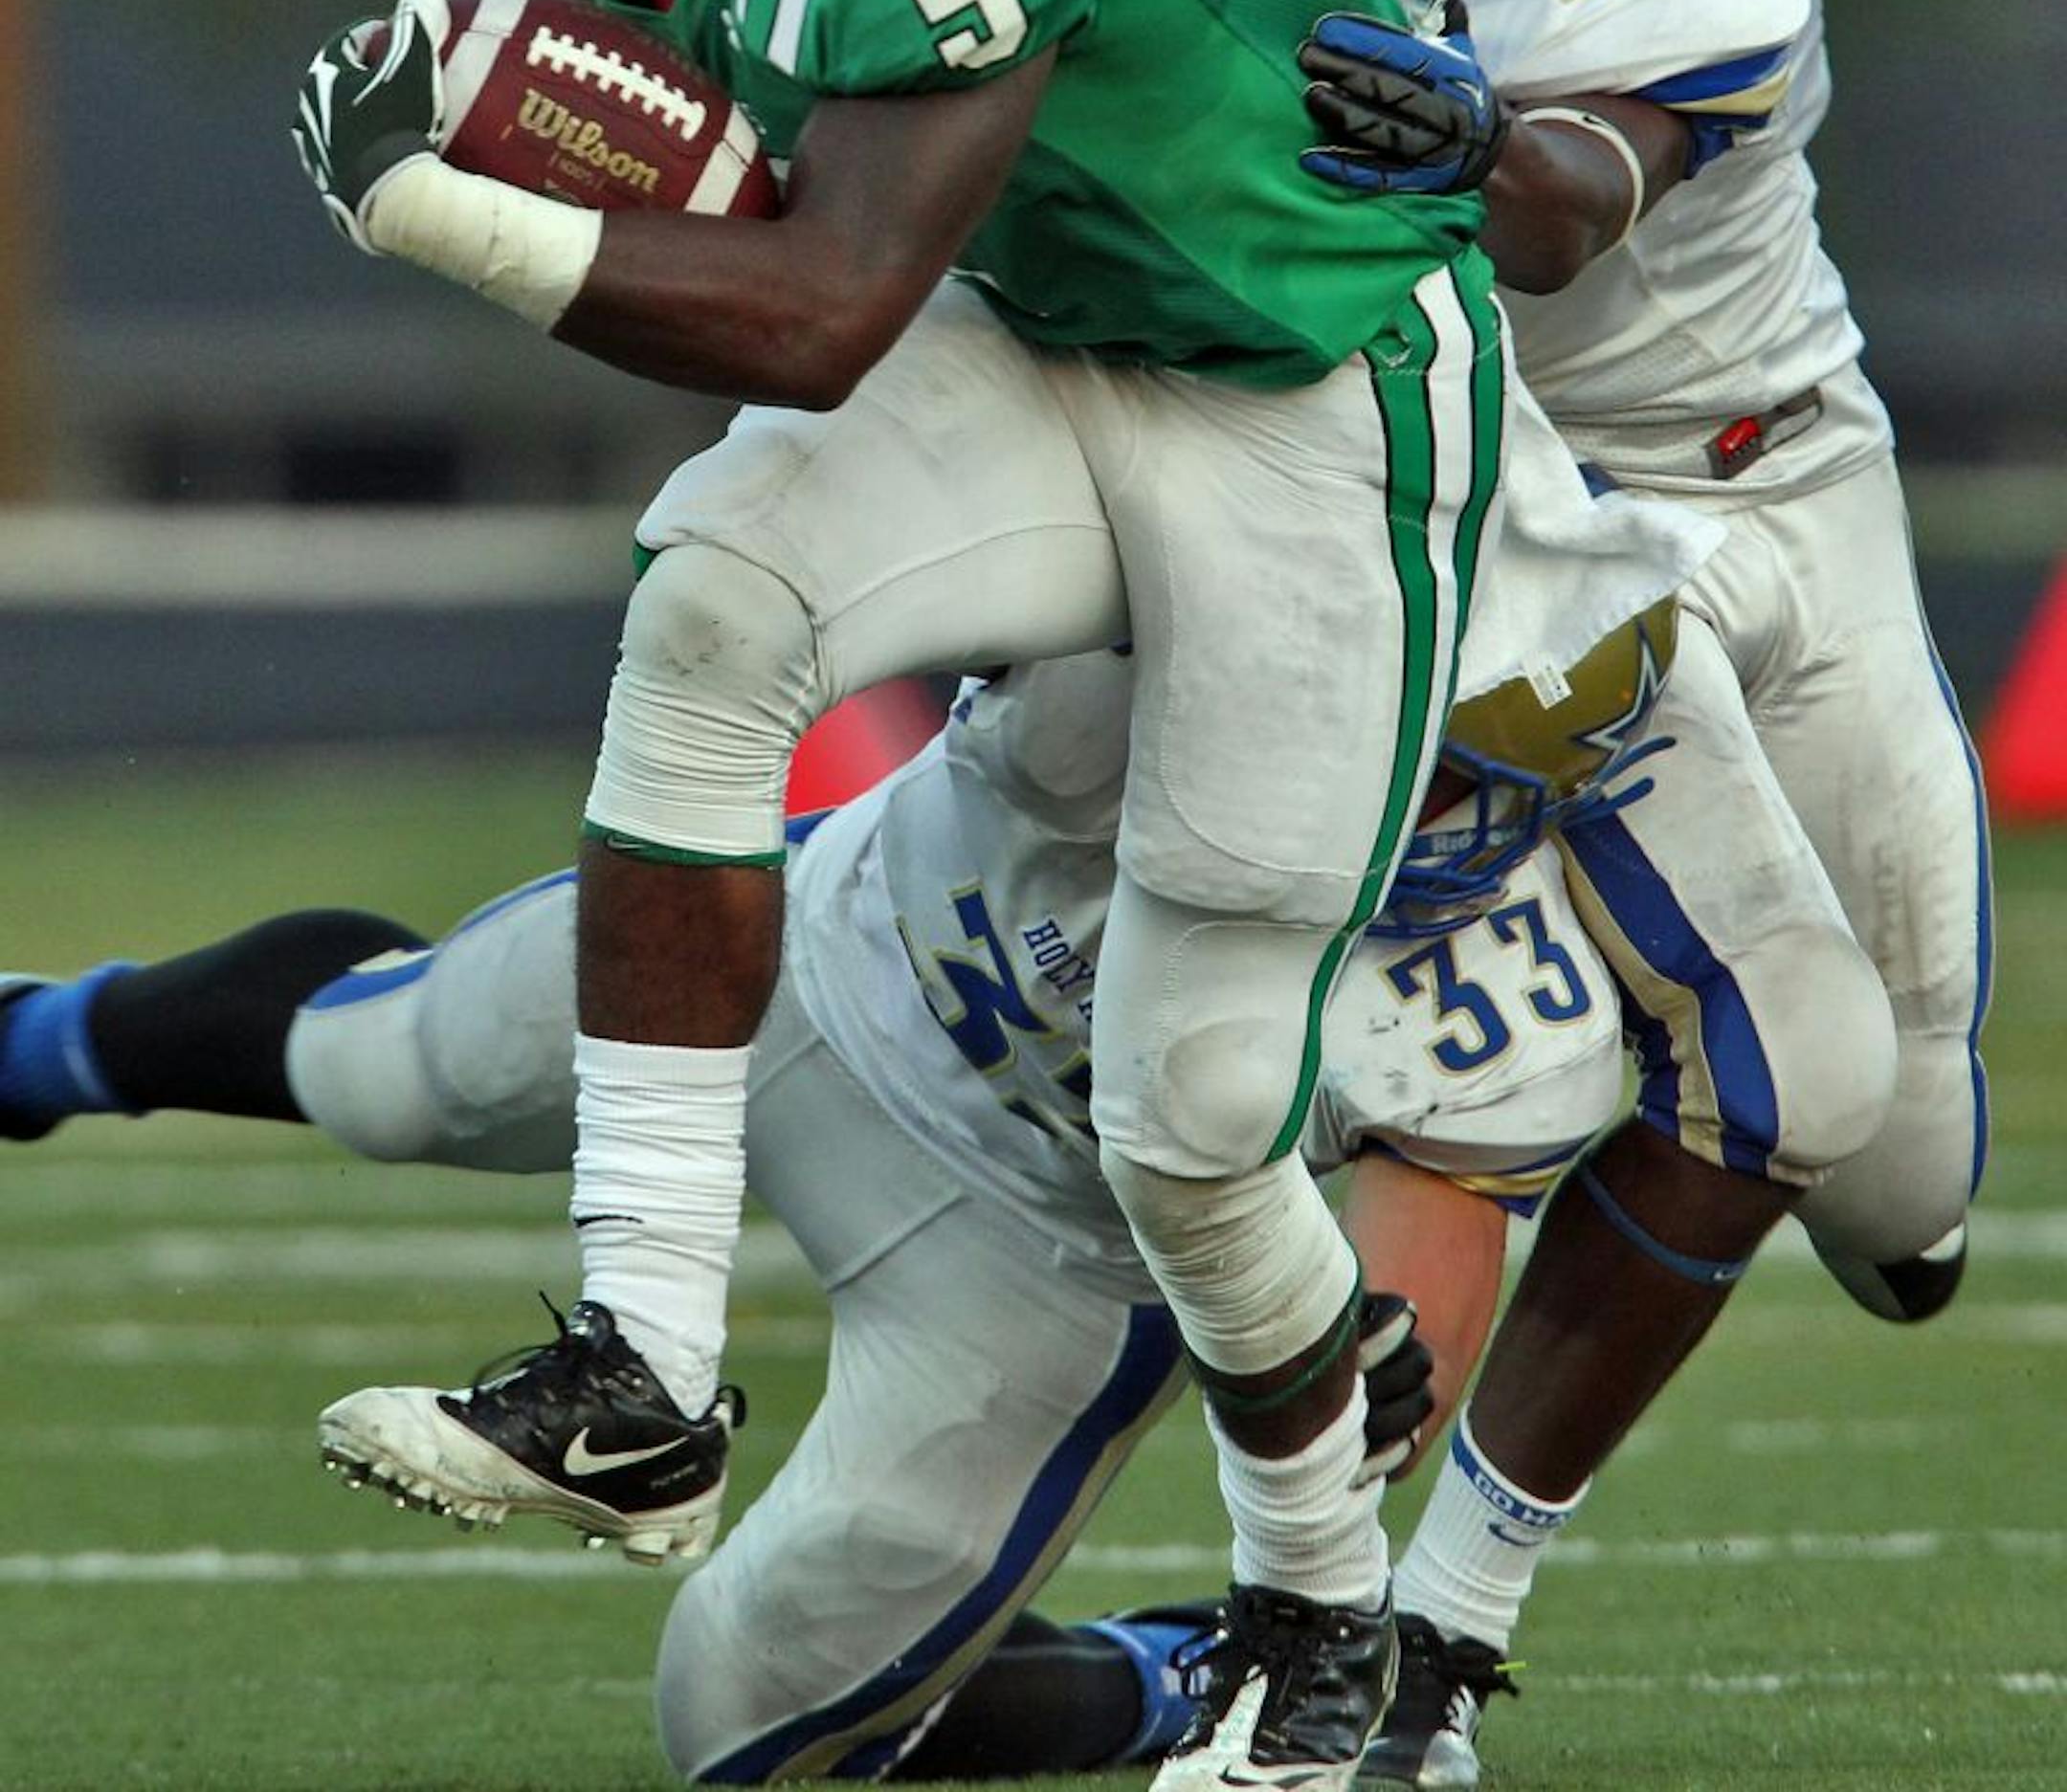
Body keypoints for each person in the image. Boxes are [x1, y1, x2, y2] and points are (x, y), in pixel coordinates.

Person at [283, 0, 1724, 1792]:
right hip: (1072, 325)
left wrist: (459, 206)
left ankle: (1319, 1608)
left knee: (1188, 1114)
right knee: (715, 607)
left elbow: (823, 310)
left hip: (1319, 398)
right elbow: (799, 221)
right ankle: (641, 1362)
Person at [1020, 0, 1992, 1786]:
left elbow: (1564, 202)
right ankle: (1395, 1633)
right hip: (1420, 497)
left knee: (1901, 1188)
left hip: (1737, 484)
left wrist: (1456, 122)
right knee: (1514, 1041)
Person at [2, 606, 1676, 1783]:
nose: (1424, 805)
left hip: (1036, 1260)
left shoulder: (1506, 1004)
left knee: (743, 1713)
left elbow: (1400, 1350)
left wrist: (1354, 1356)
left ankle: (1169, 1674)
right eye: (1421, 751)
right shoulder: (1183, 607)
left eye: (1476, 780)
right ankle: (38, 1040)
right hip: (825, 943)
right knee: (393, 1063)